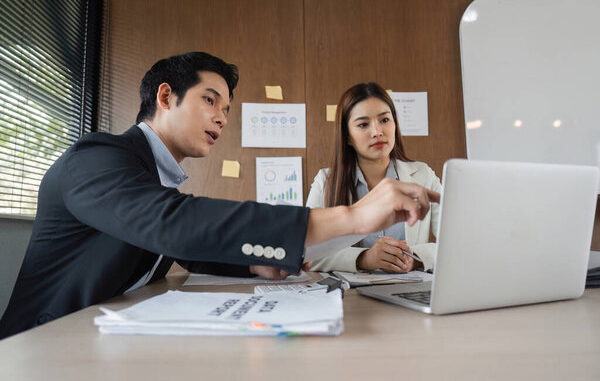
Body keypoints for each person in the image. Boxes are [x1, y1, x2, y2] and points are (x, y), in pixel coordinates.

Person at [0, 53, 438, 339]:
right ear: (166, 97)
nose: (222, 118)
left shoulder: (155, 179)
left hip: (101, 333)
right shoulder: (95, 157)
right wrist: (353, 218)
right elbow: (173, 225)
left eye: (227, 109)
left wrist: (252, 261)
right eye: (211, 101)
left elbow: (189, 248)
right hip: (43, 341)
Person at [306, 82, 442, 273]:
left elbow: (456, 243)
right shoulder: (326, 181)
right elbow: (307, 252)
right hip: (350, 297)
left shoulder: (422, 174)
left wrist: (416, 258)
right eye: (363, 124)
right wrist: (364, 258)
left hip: (408, 291)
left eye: (385, 120)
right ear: (347, 137)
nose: (377, 131)